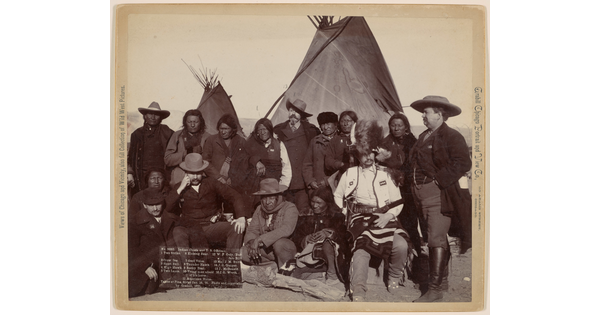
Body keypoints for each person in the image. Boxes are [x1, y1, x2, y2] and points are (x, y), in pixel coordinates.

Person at [333, 120, 411, 302]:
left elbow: (398, 202)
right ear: (358, 155)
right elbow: (338, 196)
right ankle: (358, 289)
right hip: (359, 218)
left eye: (371, 154)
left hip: (384, 217)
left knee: (401, 245)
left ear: (375, 154)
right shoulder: (350, 174)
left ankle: (394, 276)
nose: (368, 158)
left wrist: (388, 216)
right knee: (361, 250)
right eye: (364, 155)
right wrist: (346, 213)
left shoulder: (385, 174)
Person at [408, 96, 472, 302]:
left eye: (426, 112)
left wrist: (437, 181)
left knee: (435, 238)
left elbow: (463, 163)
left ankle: (434, 289)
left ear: (439, 114)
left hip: (438, 195)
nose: (423, 116)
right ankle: (441, 283)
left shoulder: (452, 136)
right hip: (421, 195)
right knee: (436, 238)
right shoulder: (424, 136)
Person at [166, 153, 247, 251]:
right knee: (178, 231)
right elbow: (167, 208)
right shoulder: (179, 186)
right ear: (186, 172)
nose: (195, 177)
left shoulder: (211, 182)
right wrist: (180, 189)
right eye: (192, 173)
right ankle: (187, 265)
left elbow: (234, 195)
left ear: (203, 171)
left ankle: (230, 263)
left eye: (198, 173)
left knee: (236, 228)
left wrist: (241, 217)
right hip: (190, 228)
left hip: (211, 226)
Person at [376, 113, 423, 266]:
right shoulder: (385, 143)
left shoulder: (413, 142)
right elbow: (381, 165)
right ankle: (394, 261)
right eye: (393, 125)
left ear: (406, 127)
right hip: (391, 188)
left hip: (409, 190)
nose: (396, 128)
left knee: (410, 223)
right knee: (394, 223)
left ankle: (416, 261)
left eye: (399, 125)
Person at [290, 186, 349, 288]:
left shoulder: (337, 216)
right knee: (294, 274)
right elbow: (296, 236)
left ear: (327, 203)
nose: (314, 205)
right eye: (313, 202)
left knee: (327, 243)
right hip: (310, 256)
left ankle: (332, 276)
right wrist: (305, 238)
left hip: (331, 257)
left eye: (319, 203)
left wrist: (329, 233)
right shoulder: (305, 215)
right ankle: (318, 274)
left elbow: (344, 238)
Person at [128, 188, 179, 298]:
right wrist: (145, 266)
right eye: (151, 205)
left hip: (166, 265)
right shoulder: (135, 222)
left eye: (158, 204)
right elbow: (130, 249)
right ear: (144, 205)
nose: (155, 208)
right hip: (144, 265)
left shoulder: (169, 217)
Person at [273, 99, 320, 215]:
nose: (293, 114)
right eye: (291, 110)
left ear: (302, 115)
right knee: (284, 214)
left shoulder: (311, 131)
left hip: (302, 182)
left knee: (302, 213)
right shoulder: (278, 130)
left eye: (297, 112)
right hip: (284, 181)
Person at [242, 178, 299, 271]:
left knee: (280, 244)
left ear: (278, 197)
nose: (267, 202)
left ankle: (288, 269)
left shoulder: (290, 207)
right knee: (243, 252)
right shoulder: (259, 209)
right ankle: (273, 267)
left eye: (271, 198)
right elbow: (252, 230)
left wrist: (260, 239)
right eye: (264, 198)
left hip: (285, 249)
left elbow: (286, 229)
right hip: (267, 251)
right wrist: (252, 241)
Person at [242, 118, 291, 212]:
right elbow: (244, 158)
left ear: (270, 130)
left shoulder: (278, 144)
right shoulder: (251, 144)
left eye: (265, 129)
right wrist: (256, 161)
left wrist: (282, 186)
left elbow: (286, 167)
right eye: (259, 130)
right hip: (256, 187)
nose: (262, 132)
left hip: (274, 187)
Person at [127, 102, 174, 196]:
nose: (153, 117)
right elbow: (131, 157)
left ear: (160, 118)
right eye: (150, 114)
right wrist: (129, 173)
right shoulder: (137, 134)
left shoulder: (167, 132)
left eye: (156, 114)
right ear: (145, 116)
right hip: (141, 175)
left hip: (162, 176)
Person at [164, 109, 210, 186]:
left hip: (201, 176)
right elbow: (168, 159)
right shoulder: (177, 136)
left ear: (201, 122)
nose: (192, 125)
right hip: (180, 176)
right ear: (185, 122)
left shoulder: (208, 137)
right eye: (189, 122)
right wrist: (187, 153)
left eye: (196, 122)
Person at [302, 111, 339, 205]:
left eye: (328, 124)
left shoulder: (341, 141)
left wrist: (327, 180)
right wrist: (310, 181)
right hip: (317, 186)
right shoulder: (315, 141)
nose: (325, 127)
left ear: (335, 124)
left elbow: (342, 166)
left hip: (335, 185)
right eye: (323, 124)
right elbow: (307, 164)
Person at [324, 110, 358, 185]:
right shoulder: (335, 140)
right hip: (339, 177)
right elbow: (328, 161)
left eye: (348, 121)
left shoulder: (359, 139)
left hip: (358, 176)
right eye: (342, 121)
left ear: (355, 123)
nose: (345, 124)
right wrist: (341, 165)